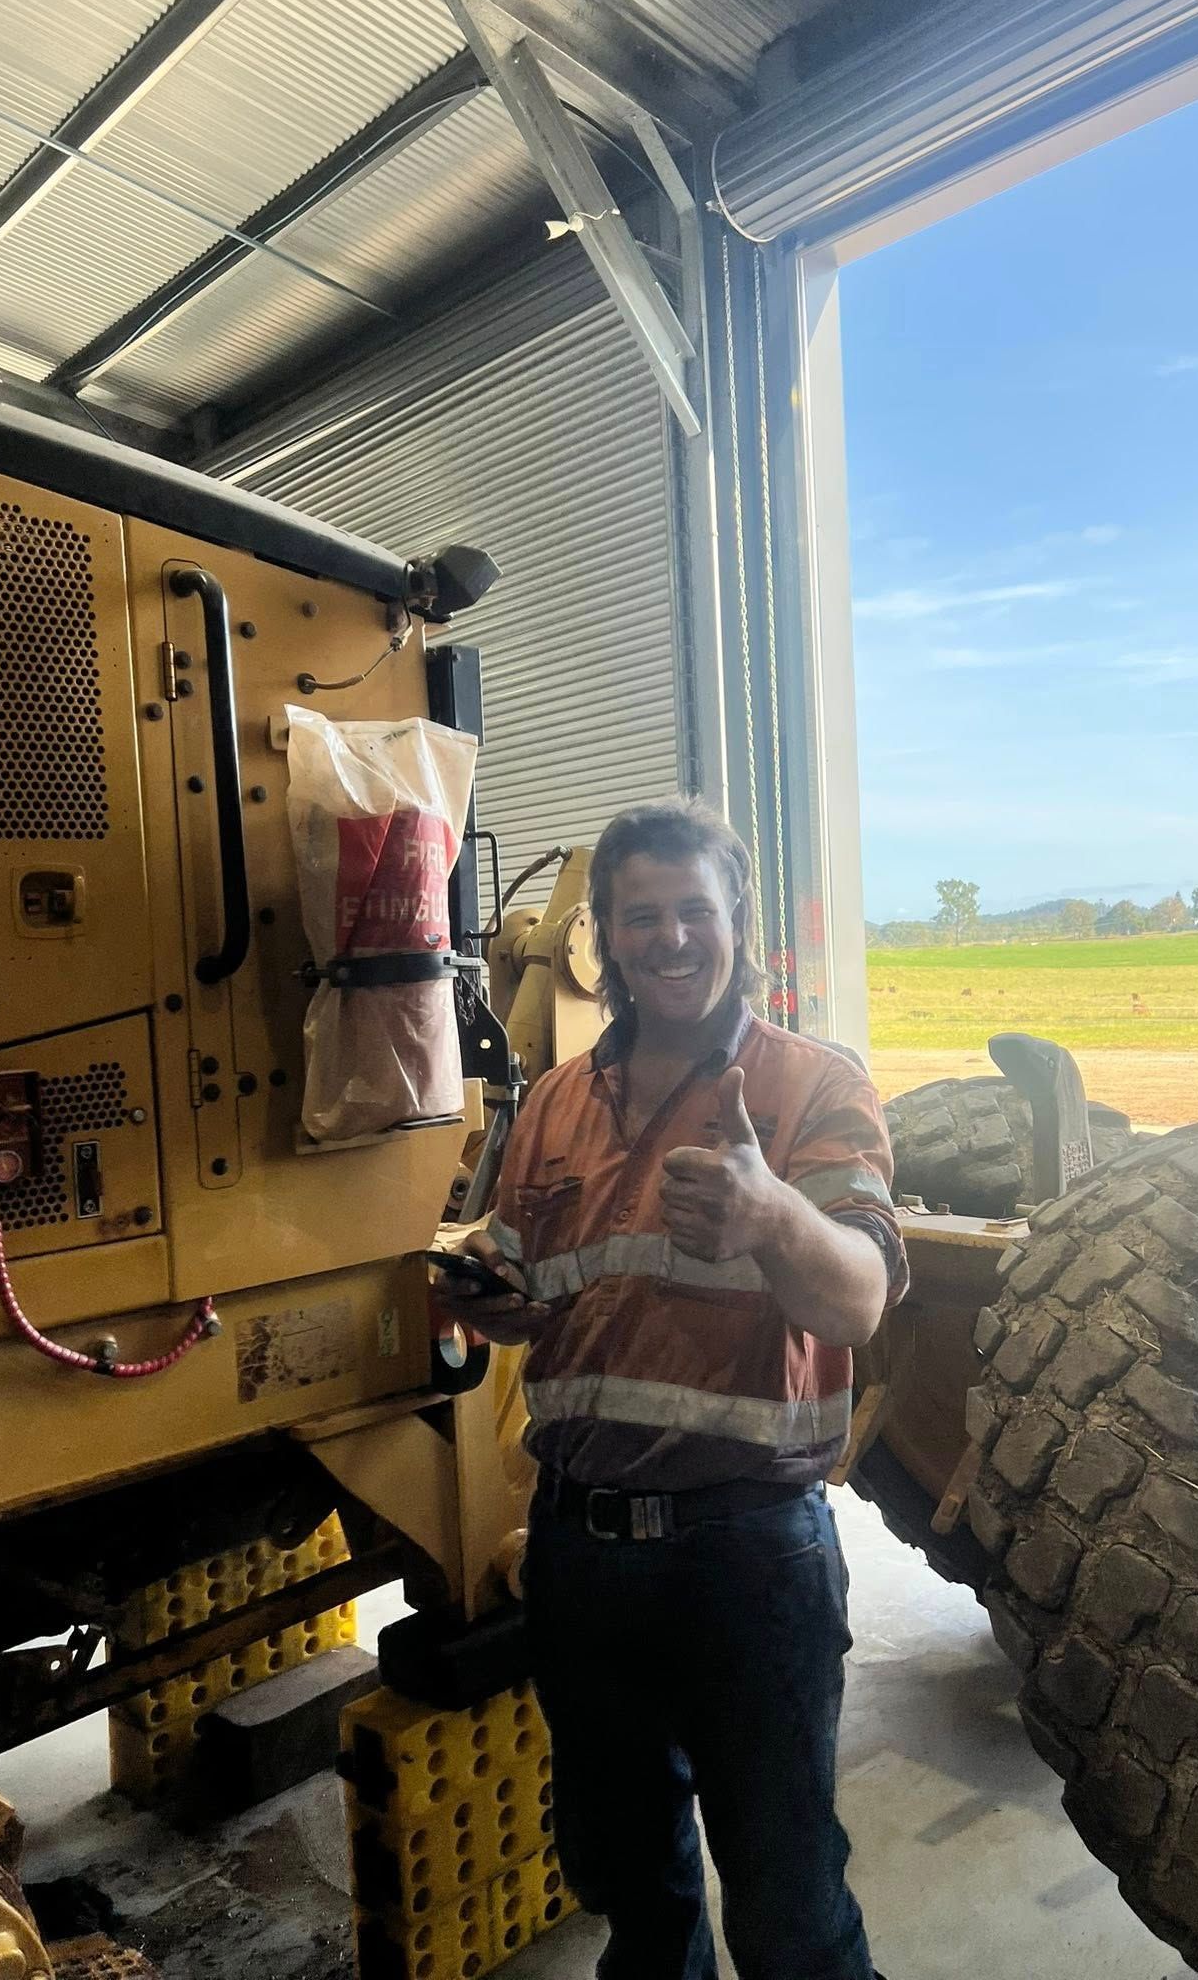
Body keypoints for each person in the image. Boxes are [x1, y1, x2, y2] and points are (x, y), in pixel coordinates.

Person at [432, 798, 906, 1980]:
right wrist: (493, 1294)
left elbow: (856, 1300)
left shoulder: (809, 1085)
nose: (673, 938)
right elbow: (538, 1276)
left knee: (790, 1902)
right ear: (604, 936)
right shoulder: (553, 1102)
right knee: (631, 1892)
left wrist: (772, 1214)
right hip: (582, 1552)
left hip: (747, 1554)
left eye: (696, 909)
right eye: (641, 916)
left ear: (736, 918)